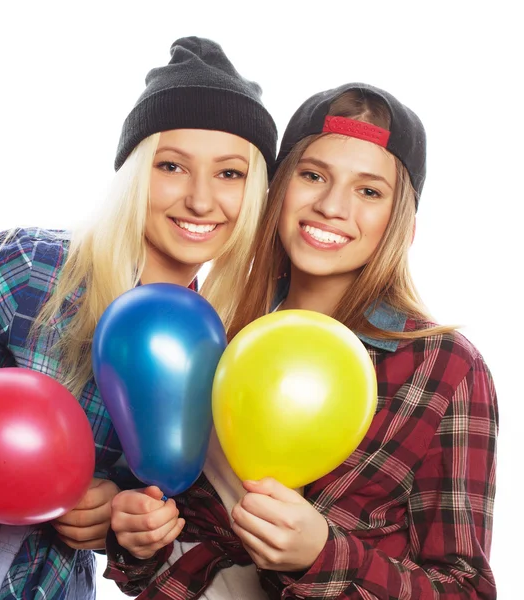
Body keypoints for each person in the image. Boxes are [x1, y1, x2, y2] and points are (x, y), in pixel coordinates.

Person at [105, 83, 497, 599]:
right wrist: (136, 536)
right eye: (313, 176)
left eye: (369, 191)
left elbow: (465, 589)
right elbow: (161, 547)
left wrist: (325, 554)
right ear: (277, 189)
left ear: (402, 224)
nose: (332, 207)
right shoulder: (211, 337)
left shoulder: (443, 367)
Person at [0, 35, 277, 600]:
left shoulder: (221, 353)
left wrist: (119, 517)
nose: (201, 200)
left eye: (230, 174)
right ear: (133, 173)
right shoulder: (33, 266)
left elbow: (152, 511)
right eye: (172, 166)